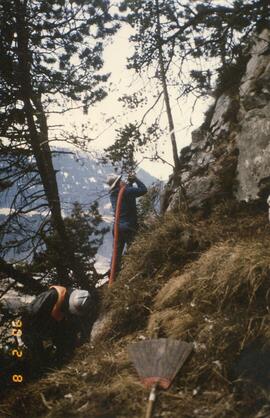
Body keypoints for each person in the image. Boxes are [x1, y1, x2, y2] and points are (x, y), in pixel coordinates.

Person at [21, 286, 94, 362]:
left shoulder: (72, 301)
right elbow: (30, 313)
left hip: (50, 327)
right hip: (31, 329)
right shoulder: (52, 295)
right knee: (39, 356)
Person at [107, 174, 147, 274]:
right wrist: (135, 179)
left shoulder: (113, 194)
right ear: (118, 183)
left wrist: (130, 183)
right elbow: (143, 189)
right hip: (128, 226)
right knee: (134, 248)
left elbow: (126, 193)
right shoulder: (126, 191)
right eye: (121, 180)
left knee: (116, 253)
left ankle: (113, 274)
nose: (123, 181)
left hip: (117, 228)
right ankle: (135, 269)